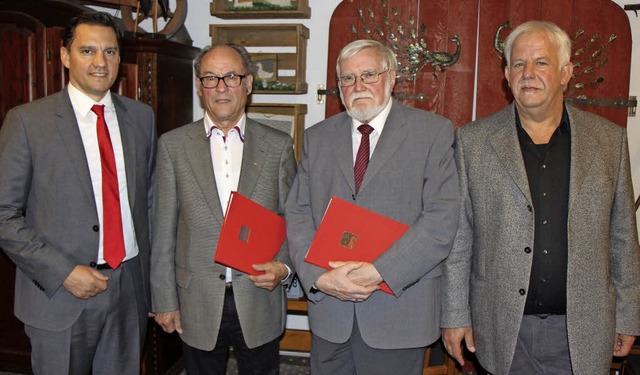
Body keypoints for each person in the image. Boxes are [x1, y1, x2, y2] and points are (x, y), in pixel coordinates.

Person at [441, 20, 640, 374]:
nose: (528, 73)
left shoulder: (609, 142)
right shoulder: (474, 142)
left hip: (582, 331)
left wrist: (628, 315)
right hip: (502, 331)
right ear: (506, 73)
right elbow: (459, 238)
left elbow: (623, 237)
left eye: (541, 62)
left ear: (566, 73)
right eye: (518, 64)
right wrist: (454, 315)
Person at [285, 39, 460, 375]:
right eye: (348, 79)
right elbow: (299, 213)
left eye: (369, 75)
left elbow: (441, 220)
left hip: (397, 310)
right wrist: (319, 278)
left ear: (391, 78)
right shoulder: (318, 137)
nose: (358, 86)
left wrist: (379, 271)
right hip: (330, 314)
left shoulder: (432, 133)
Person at [0, 12, 156, 374]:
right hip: (60, 295)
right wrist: (63, 271)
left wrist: (154, 288)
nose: (100, 62)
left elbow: (149, 205)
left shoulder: (141, 118)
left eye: (110, 52)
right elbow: (4, 216)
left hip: (128, 290)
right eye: (88, 51)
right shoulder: (27, 121)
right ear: (66, 56)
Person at [151, 44, 296, 375]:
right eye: (210, 78)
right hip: (195, 298)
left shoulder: (278, 145)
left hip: (259, 295)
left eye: (231, 76)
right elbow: (162, 229)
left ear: (248, 84)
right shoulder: (173, 146)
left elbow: (293, 218)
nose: (221, 87)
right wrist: (163, 299)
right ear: (200, 87)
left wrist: (284, 267)